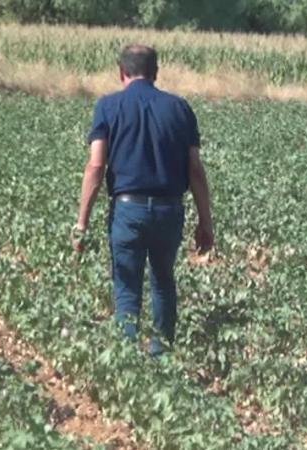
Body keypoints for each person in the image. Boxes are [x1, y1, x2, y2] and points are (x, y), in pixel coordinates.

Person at [72, 44, 215, 356]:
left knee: (127, 289)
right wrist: (206, 221)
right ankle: (160, 358)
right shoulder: (180, 108)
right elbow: (196, 170)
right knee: (163, 281)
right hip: (169, 210)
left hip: (127, 211)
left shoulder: (108, 107)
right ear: (156, 73)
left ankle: (127, 362)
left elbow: (96, 165)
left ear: (121, 72)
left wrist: (82, 222)